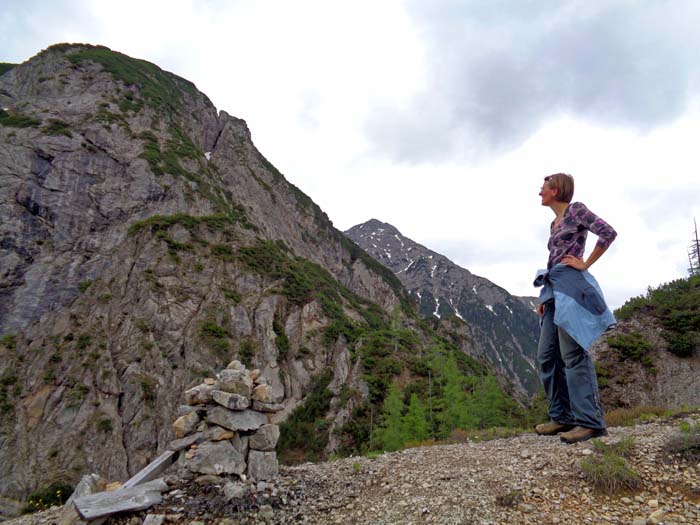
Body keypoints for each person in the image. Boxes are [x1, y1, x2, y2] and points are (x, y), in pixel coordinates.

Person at [534, 173, 617, 444]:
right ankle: (561, 417)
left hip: (571, 286)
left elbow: (608, 232)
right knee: (547, 356)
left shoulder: (576, 210)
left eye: (543, 188)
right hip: (554, 289)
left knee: (572, 355)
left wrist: (586, 262)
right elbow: (552, 259)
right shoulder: (553, 223)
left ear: (555, 190)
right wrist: (545, 298)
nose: (539, 193)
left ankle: (590, 422)